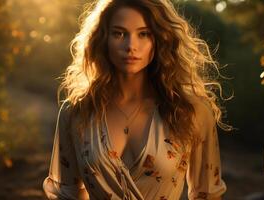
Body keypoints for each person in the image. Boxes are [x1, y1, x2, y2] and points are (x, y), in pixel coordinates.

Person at [43, 0, 231, 199]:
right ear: (103, 39)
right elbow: (68, 194)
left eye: (144, 34)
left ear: (160, 39)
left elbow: (207, 194)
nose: (131, 46)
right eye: (119, 33)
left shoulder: (191, 111)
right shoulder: (76, 112)